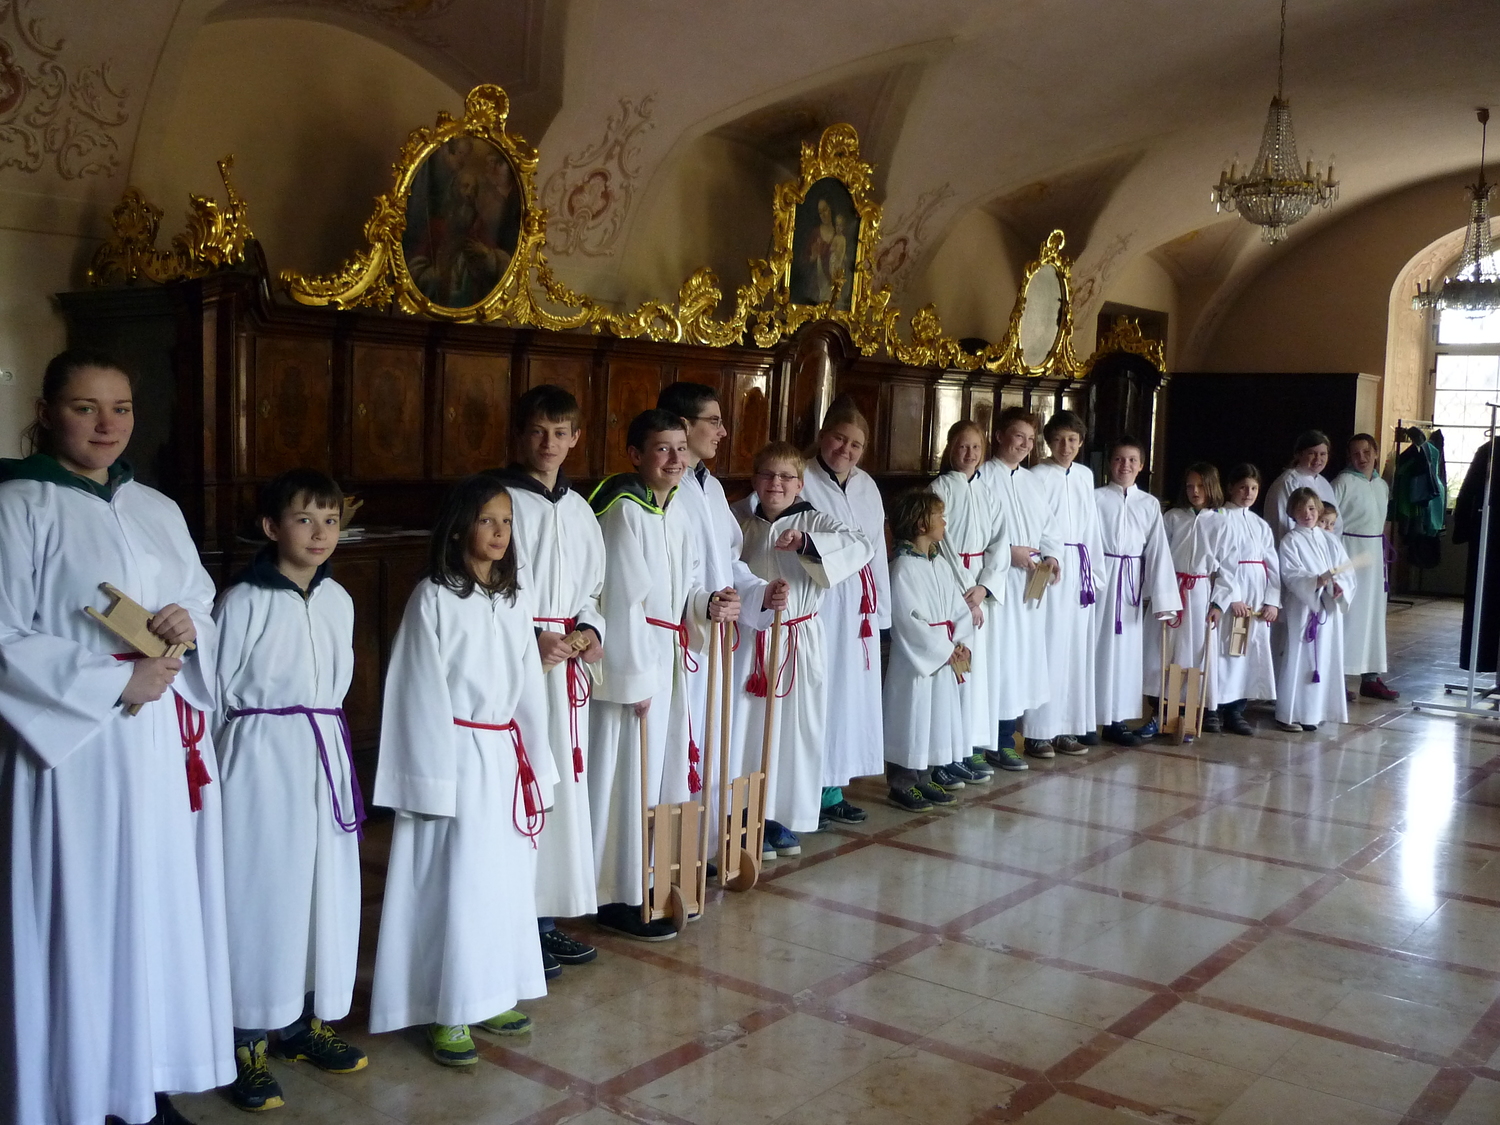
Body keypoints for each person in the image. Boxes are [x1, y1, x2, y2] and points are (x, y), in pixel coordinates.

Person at [0, 350, 233, 1125]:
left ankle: (143, 1086)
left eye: (121, 408)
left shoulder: (155, 506)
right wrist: (111, 681)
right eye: (85, 407)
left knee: (152, 912)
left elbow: (199, 599)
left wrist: (187, 625)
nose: (107, 424)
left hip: (157, 749)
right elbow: (3, 636)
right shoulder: (19, 506)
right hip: (72, 755)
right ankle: (75, 1094)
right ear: (45, 412)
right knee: (85, 917)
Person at [368, 478, 558, 1066]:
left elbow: (529, 689)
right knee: (456, 886)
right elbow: (415, 691)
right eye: (486, 520)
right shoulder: (433, 598)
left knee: (500, 885)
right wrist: (429, 782)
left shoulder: (514, 599)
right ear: (457, 529)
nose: (500, 533)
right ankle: (447, 1007)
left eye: (507, 521)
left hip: (502, 753)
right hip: (452, 756)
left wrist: (538, 766)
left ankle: (490, 993)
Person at [213, 469, 365, 1111]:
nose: (320, 533)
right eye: (305, 519)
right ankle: (243, 1038)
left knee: (318, 892)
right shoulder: (242, 600)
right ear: (272, 527)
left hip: (322, 751)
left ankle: (303, 1024)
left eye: (331, 520)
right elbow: (214, 691)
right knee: (261, 894)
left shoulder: (339, 599)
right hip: (260, 758)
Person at [587, 410, 738, 940]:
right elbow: (619, 601)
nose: (675, 459)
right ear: (636, 455)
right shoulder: (622, 510)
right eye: (661, 449)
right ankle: (616, 894)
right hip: (635, 666)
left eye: (680, 448)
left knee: (660, 774)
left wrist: (707, 604)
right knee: (628, 780)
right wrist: (634, 679)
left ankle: (648, 877)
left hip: (666, 655)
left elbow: (687, 586)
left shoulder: (675, 510)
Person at [489, 386, 607, 980]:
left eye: (561, 433)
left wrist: (588, 628)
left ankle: (545, 918)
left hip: (567, 668)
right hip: (522, 665)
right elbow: (489, 583)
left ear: (576, 438)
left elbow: (593, 589)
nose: (549, 443)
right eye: (538, 431)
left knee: (562, 796)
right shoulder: (501, 501)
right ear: (520, 435)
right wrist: (531, 636)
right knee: (526, 788)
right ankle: (515, 920)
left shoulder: (580, 509)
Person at [730, 442, 872, 850]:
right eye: (767, 474)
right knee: (744, 732)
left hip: (797, 640)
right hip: (747, 642)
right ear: (754, 479)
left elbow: (861, 545)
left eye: (786, 477)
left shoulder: (815, 520)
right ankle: (741, 814)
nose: (776, 483)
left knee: (790, 734)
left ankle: (777, 816)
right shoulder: (737, 518)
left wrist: (808, 544)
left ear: (800, 483)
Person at [655, 382, 766, 846]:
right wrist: (702, 602)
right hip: (682, 639)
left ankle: (704, 843)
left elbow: (729, 561)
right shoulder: (665, 489)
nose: (723, 432)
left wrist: (759, 591)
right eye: (714, 421)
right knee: (679, 747)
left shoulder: (712, 487)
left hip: (716, 635)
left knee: (712, 738)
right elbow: (664, 574)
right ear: (684, 425)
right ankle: (668, 851)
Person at [799, 398, 895, 818]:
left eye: (856, 445)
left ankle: (833, 788)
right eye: (840, 438)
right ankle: (807, 791)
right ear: (823, 435)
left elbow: (876, 553)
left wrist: (882, 614)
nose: (846, 450)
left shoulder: (867, 486)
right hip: (821, 599)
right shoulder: (801, 477)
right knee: (821, 693)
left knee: (850, 697)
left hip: (860, 606)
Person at [883, 490, 977, 812]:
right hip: (916, 661)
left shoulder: (940, 564)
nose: (944, 523)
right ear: (921, 523)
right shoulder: (903, 567)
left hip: (944, 653)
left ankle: (924, 777)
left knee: (933, 718)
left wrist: (961, 641)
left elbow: (958, 608)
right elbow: (906, 620)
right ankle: (902, 782)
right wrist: (942, 648)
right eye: (939, 517)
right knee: (911, 717)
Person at [982, 407, 1059, 767]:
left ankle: (1004, 740)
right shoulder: (982, 477)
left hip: (1028, 585)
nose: (1026, 445)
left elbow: (1049, 529)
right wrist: (1007, 552)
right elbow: (975, 532)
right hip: (996, 583)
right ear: (999, 436)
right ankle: (981, 744)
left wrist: (1052, 557)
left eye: (1031, 439)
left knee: (1018, 665)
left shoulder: (1032, 482)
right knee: (995, 662)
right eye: (1019, 436)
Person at [930, 421, 1005, 782]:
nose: (970, 453)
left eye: (976, 447)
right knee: (955, 669)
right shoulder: (940, 489)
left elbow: (1000, 543)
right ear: (950, 448)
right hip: (953, 587)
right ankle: (948, 751)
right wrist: (967, 592)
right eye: (962, 446)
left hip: (979, 588)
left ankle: (969, 746)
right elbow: (940, 543)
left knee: (977, 673)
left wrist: (985, 587)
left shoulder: (989, 492)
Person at [1094, 437, 1181, 745]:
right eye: (1119, 459)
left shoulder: (1149, 504)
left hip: (1130, 585)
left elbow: (1157, 550)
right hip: (1101, 579)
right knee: (1096, 647)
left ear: (1142, 465)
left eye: (1132, 460)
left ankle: (1116, 720)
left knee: (1124, 654)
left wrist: (1163, 598)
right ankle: (1088, 719)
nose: (1125, 465)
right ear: (1110, 463)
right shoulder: (1095, 498)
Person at [1026, 411, 1103, 756]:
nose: (1066, 446)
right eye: (1058, 440)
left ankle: (1066, 727)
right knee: (1049, 646)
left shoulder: (1085, 475)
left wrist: (1095, 572)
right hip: (1052, 567)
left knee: (1075, 650)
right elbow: (1034, 522)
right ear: (1048, 442)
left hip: (1080, 567)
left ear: (1081, 442)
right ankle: (1038, 731)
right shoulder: (1038, 475)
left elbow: (1092, 526)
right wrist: (1044, 558)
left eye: (1072, 440)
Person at [1144, 463, 1225, 736]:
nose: (1195, 491)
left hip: (1200, 593)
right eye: (1190, 486)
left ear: (1212, 487)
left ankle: (1192, 712)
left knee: (1195, 651)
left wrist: (1218, 603)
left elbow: (1228, 568)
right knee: (1163, 649)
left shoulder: (1221, 522)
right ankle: (1160, 710)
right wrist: (1159, 592)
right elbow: (1159, 554)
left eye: (1201, 486)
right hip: (1172, 588)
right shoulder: (1173, 517)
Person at [1207, 464, 1281, 736]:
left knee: (1247, 654)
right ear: (1230, 488)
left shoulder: (1260, 524)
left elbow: (1272, 564)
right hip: (1231, 597)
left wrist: (1272, 600)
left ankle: (1236, 710)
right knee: (1225, 652)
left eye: (1253, 488)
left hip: (1256, 597)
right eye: (1243, 487)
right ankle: (1213, 708)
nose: (1248, 493)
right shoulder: (1220, 517)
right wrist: (1233, 597)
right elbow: (1220, 561)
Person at [1275, 487, 1355, 732]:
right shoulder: (1291, 541)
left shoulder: (1329, 540)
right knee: (1301, 657)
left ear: (1318, 509)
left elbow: (1346, 570)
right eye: (1301, 509)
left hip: (1327, 608)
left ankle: (1314, 712)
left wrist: (1339, 587)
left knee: (1324, 656)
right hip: (1303, 606)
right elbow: (1291, 574)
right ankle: (1290, 713)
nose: (1307, 514)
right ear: (1292, 512)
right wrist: (1315, 582)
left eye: (1311, 508)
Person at [1333, 433, 1397, 700]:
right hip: (1349, 552)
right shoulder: (1343, 482)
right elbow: (1331, 522)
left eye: (1366, 452)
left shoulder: (1381, 485)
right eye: (1356, 453)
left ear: (1376, 453)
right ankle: (1337, 678)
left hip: (1373, 555)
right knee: (1349, 616)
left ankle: (1370, 677)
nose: (1362, 458)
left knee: (1373, 618)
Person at [1266, 430, 1338, 541]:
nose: (1318, 459)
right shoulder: (1288, 482)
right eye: (1312, 453)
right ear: (1298, 454)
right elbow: (1283, 523)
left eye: (1323, 454)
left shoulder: (1324, 483)